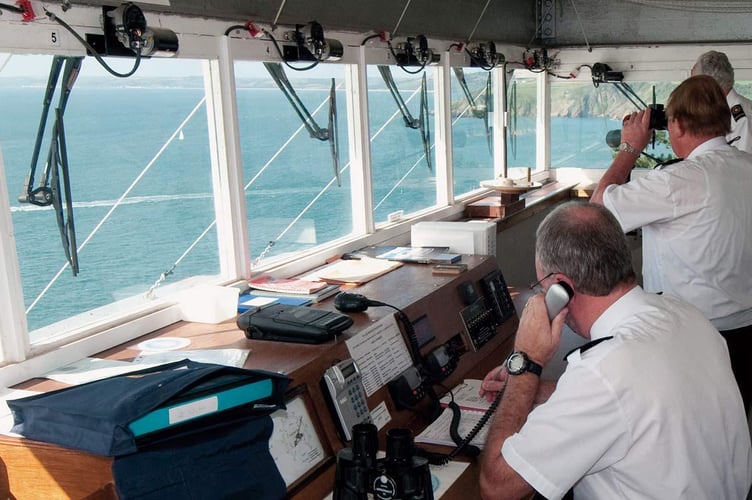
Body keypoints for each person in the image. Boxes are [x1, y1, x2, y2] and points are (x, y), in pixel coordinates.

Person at [478, 201, 752, 500]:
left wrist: (525, 365)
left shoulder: (603, 373)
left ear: (561, 288)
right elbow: (642, 395)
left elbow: (498, 487)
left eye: (542, 284)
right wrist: (535, 391)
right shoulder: (687, 315)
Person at [590, 74, 752, 414]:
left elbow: (598, 210)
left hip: (697, 338)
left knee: (697, 439)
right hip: (746, 333)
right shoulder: (747, 166)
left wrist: (630, 148)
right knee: (736, 434)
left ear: (675, 124)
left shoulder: (679, 180)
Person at [691, 50, 752, 153]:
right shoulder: (722, 112)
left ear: (707, 85)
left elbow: (742, 166)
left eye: (693, 84)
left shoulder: (741, 120)